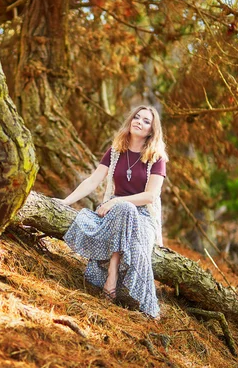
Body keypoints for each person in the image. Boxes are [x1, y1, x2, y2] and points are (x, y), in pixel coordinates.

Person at [56, 105, 167, 318]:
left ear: (152, 131)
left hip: (142, 216)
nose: (139, 122)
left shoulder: (156, 158)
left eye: (146, 121)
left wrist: (117, 203)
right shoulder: (116, 151)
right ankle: (112, 273)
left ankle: (112, 275)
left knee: (126, 210)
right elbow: (92, 181)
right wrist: (65, 202)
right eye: (137, 117)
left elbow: (150, 197)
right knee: (110, 213)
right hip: (115, 213)